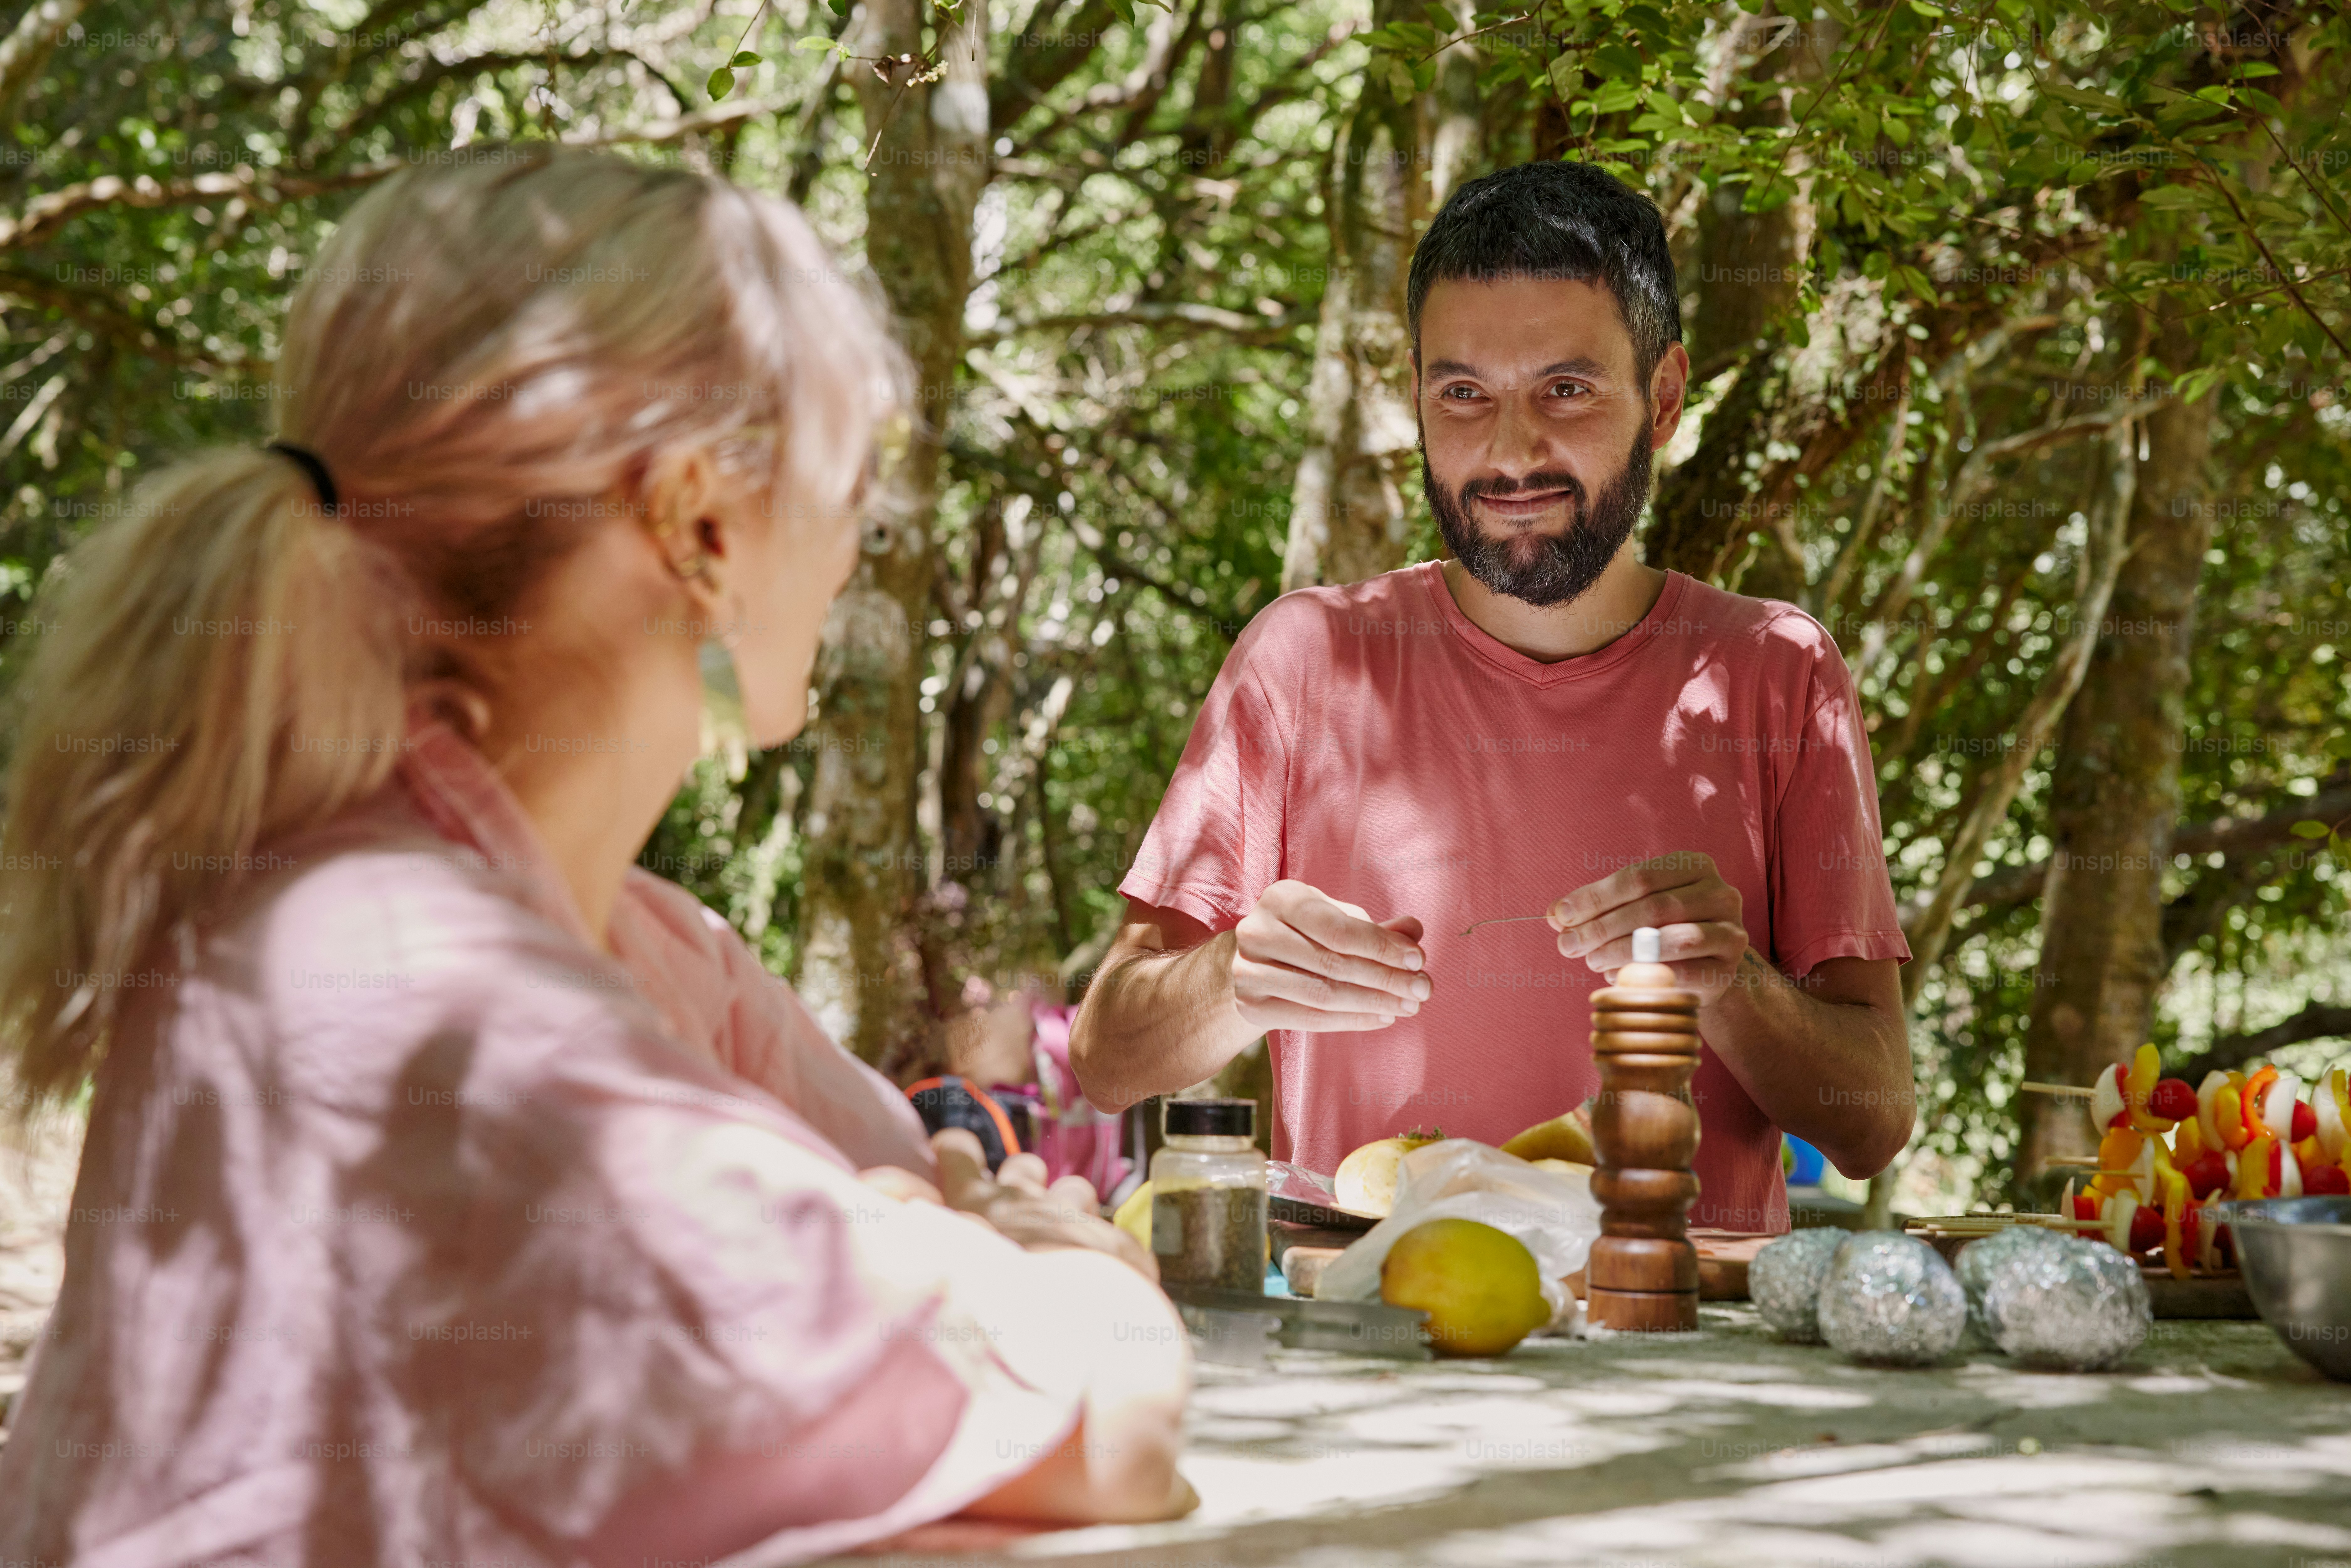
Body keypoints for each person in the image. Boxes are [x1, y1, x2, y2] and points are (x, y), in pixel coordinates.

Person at [0, 148, 1191, 1566]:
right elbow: (1104, 1429)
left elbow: (905, 1176)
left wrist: (951, 1227)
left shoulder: (599, 934)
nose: (866, 545)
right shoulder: (438, 1002)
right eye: (851, 485)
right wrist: (1072, 1267)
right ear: (701, 520)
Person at [1072, 160, 1915, 1234]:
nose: (1510, 451)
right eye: (1463, 393)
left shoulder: (1776, 669)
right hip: (1373, 1336)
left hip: (1678, 1356)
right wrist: (1236, 980)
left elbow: (1874, 1118)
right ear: (1417, 398)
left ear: (1662, 399)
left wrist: (1734, 983)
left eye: (1564, 390)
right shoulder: (1303, 658)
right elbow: (1105, 1058)